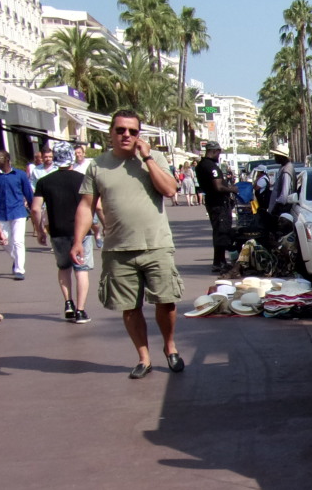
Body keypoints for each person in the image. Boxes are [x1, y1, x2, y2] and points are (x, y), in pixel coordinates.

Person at [73, 110, 185, 379]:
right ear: (111, 133)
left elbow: (170, 190)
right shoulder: (97, 165)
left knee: (166, 302)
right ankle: (143, 358)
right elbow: (86, 205)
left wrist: (146, 158)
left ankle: (170, 347)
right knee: (129, 306)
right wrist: (78, 240)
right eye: (121, 130)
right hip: (118, 248)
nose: (126, 135)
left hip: (156, 245)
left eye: (132, 131)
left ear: (139, 135)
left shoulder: (153, 158)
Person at [32, 145, 92, 323]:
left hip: (57, 231)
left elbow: (35, 208)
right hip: (82, 232)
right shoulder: (83, 179)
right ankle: (80, 311)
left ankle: (68, 303)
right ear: (72, 157)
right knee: (81, 270)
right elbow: (95, 205)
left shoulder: (45, 181)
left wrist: (40, 230)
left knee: (63, 268)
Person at [194, 142, 238, 273]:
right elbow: (218, 187)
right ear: (215, 151)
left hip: (212, 201)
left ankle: (220, 261)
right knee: (222, 231)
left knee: (218, 231)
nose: (219, 155)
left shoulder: (201, 165)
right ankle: (219, 262)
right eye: (219, 152)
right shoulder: (211, 167)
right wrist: (232, 189)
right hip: (219, 203)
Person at [0, 148, 35, 279]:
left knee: (18, 241)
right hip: (1, 213)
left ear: (7, 159)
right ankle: (17, 260)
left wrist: (33, 209)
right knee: (5, 241)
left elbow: (28, 193)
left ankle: (19, 270)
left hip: (18, 212)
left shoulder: (20, 174)